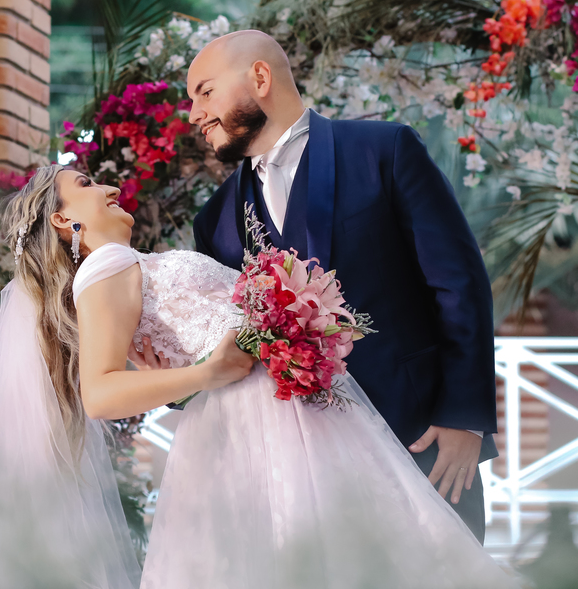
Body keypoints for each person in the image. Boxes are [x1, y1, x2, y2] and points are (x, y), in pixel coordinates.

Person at [0, 163, 516, 589]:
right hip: (260, 420)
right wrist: (207, 372)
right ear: (63, 220)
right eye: (85, 184)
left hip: (271, 409)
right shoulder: (107, 264)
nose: (108, 186)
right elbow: (101, 393)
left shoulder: (126, 265)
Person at [187, 29, 498, 541]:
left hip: (420, 439)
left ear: (260, 78)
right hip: (295, 474)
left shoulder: (384, 151)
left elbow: (458, 284)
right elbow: (224, 349)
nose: (194, 113)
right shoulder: (216, 220)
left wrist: (464, 419)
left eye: (205, 92)